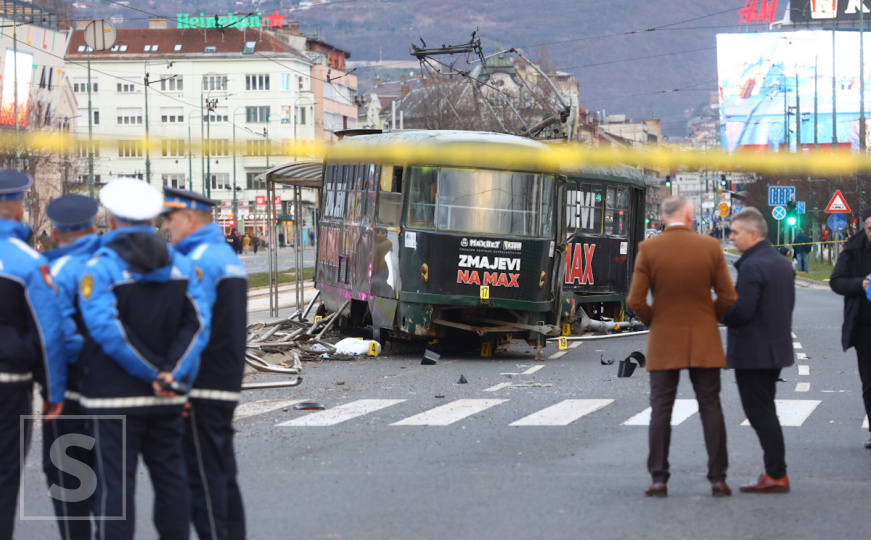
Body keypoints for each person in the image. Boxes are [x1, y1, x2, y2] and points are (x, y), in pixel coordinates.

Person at [76, 178, 210, 540]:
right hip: (167, 396)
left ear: (111, 219)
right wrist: (170, 375)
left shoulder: (99, 268)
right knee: (171, 481)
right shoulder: (182, 267)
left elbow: (108, 331)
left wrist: (150, 371)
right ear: (152, 219)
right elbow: (198, 325)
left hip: (112, 398)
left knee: (114, 490)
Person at [627, 195, 737, 498]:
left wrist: (656, 322)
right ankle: (718, 479)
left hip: (664, 339)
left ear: (663, 219)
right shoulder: (711, 247)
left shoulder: (649, 249)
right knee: (711, 407)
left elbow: (635, 300)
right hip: (704, 339)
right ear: (689, 217)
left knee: (661, 408)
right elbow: (728, 297)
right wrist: (706, 318)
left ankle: (659, 479)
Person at [161, 187, 248, 540]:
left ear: (190, 218)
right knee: (222, 476)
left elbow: (196, 325)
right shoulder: (224, 256)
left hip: (202, 383)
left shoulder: (197, 261)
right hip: (224, 379)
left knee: (203, 483)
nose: (166, 226)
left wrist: (178, 382)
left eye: (170, 218)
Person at [0, 170, 67, 540]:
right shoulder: (28, 262)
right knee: (4, 473)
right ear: (17, 208)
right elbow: (48, 333)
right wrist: (53, 392)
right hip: (9, 387)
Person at [722, 208, 795, 493]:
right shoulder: (779, 262)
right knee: (766, 411)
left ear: (753, 234)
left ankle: (776, 474)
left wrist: (717, 310)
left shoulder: (753, 265)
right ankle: (775, 471)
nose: (731, 237)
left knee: (759, 414)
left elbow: (743, 311)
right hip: (774, 349)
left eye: (735, 232)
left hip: (753, 351)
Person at [42, 194, 102, 540]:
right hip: (113, 386)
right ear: (94, 227)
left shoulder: (50, 269)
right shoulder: (113, 262)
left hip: (67, 388)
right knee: (108, 474)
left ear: (53, 232)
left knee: (67, 477)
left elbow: (52, 335)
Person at [830, 206, 871, 449]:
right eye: (869, 229)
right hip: (865, 327)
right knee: (869, 381)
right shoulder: (854, 249)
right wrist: (860, 283)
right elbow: (836, 281)